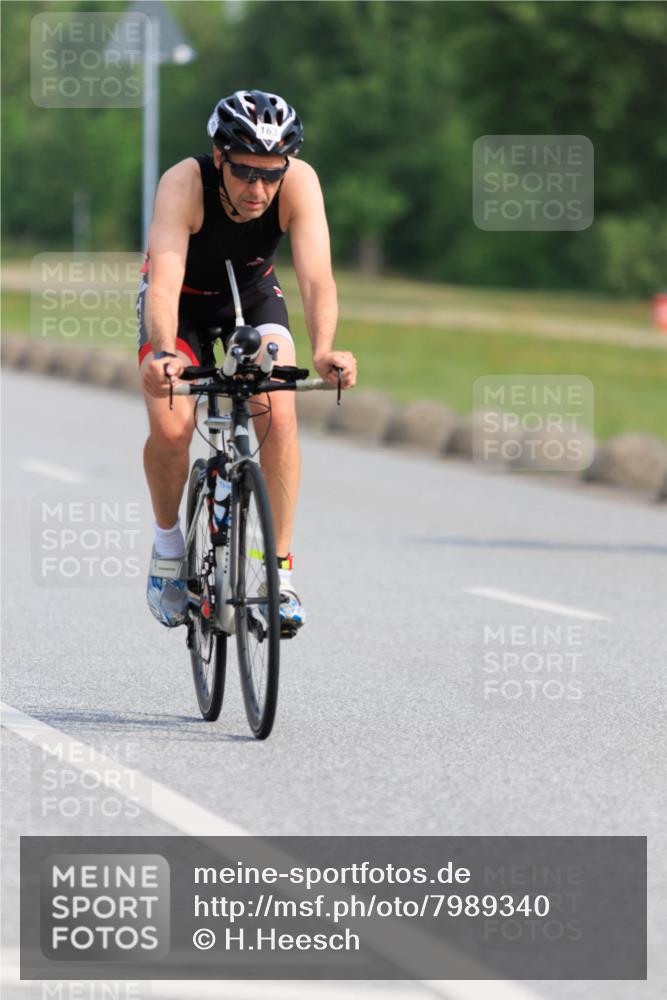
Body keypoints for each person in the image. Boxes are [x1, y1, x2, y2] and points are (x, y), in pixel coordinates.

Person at [138, 89, 357, 631]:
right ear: (219, 158)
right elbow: (162, 285)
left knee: (279, 414)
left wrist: (326, 348)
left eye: (271, 173)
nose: (258, 188)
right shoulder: (182, 184)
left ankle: (278, 572)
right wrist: (164, 352)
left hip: (252, 298)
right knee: (171, 427)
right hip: (182, 305)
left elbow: (316, 278)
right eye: (243, 173)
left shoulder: (299, 183)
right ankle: (168, 553)